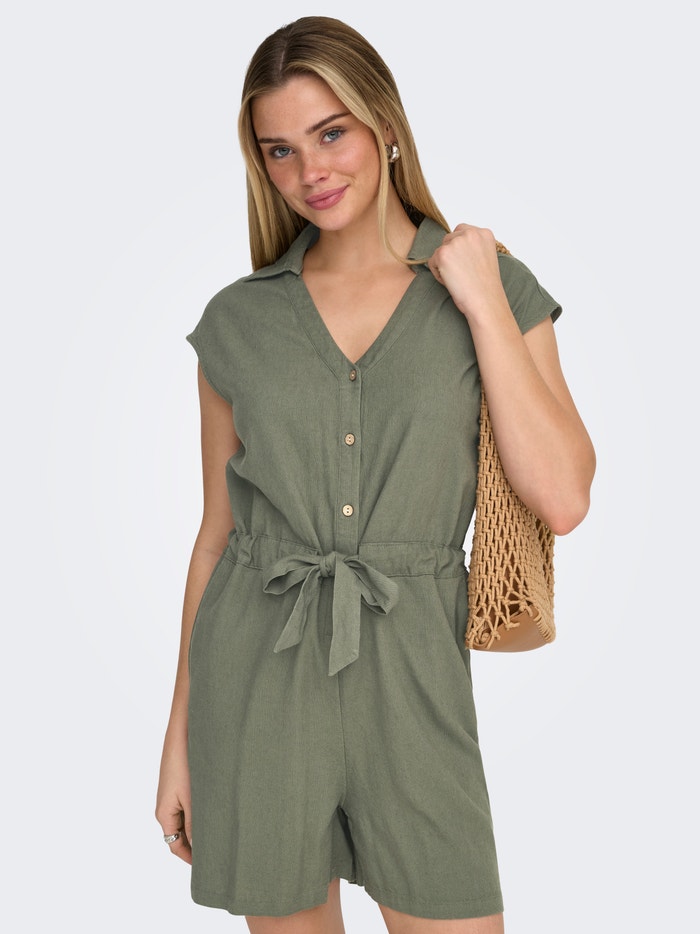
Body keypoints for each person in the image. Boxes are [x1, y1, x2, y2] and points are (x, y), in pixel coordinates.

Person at [155, 15, 595, 934]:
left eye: (331, 133)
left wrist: (479, 300)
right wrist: (178, 741)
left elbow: (562, 495)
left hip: (415, 676)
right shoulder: (239, 321)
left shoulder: (493, 286)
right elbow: (216, 540)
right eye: (279, 150)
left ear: (385, 124)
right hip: (257, 677)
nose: (309, 170)